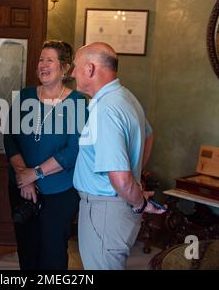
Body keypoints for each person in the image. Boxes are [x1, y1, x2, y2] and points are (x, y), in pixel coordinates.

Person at [71, 42, 165, 270]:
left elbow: (121, 179)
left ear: (90, 69)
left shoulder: (106, 109)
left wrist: (139, 201)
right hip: (114, 207)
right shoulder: (125, 97)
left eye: (75, 67)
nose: (72, 73)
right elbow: (149, 136)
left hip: (105, 211)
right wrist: (133, 180)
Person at [3, 40, 88, 270]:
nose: (43, 64)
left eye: (50, 60)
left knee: (53, 253)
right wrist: (23, 175)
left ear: (65, 68)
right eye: (41, 59)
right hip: (21, 188)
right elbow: (10, 137)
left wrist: (36, 174)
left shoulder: (78, 102)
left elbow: (73, 150)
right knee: (27, 251)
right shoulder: (24, 96)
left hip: (59, 192)